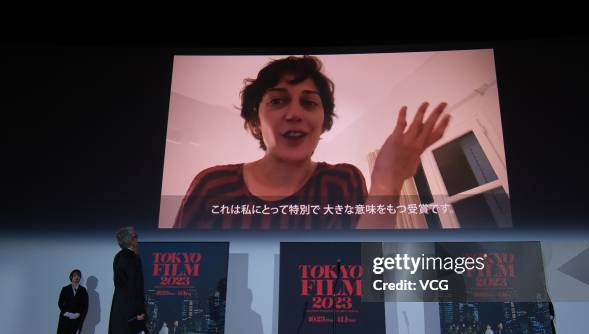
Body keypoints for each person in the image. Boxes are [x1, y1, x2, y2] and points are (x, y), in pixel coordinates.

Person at [174, 56, 450, 230]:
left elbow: (364, 277)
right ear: (256, 121)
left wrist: (387, 183)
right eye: (278, 100)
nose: (294, 114)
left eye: (308, 102)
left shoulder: (342, 182)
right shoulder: (212, 185)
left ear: (323, 123)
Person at [102, 226, 146, 334]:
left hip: (118, 306)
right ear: (131, 239)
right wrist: (139, 311)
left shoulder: (118, 257)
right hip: (130, 307)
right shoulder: (133, 258)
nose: (138, 239)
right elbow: (135, 286)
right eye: (136, 236)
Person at [56, 269, 88, 334]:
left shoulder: (83, 290)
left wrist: (78, 314)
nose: (76, 277)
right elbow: (60, 303)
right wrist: (66, 312)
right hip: (65, 317)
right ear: (71, 277)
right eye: (74, 276)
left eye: (78, 276)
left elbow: (84, 304)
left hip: (75, 317)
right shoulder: (65, 289)